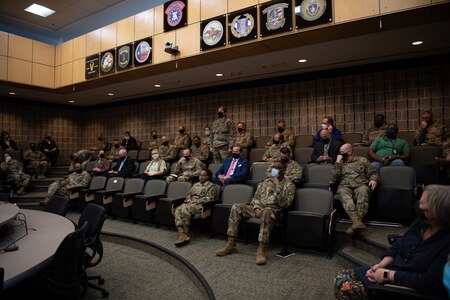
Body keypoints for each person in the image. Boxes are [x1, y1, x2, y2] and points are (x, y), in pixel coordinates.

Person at [334, 184, 450, 299]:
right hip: (393, 268)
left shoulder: (446, 244)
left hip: (408, 286)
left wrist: (387, 275)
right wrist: (381, 265)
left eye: (422, 206)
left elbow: (430, 283)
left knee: (344, 286)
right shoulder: (421, 222)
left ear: (436, 213)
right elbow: (400, 244)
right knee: (342, 276)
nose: (418, 206)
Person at [215, 162, 295, 265]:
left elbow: (285, 204)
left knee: (266, 212)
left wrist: (278, 186)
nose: (274, 170)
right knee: (236, 207)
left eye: (277, 168)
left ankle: (261, 250)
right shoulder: (265, 182)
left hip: (275, 212)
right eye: (273, 167)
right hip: (258, 208)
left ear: (284, 170)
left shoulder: (289, 185)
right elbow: (256, 198)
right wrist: (256, 208)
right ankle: (231, 244)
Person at [331, 143, 378, 235]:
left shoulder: (362, 160)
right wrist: (337, 164)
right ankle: (356, 222)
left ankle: (357, 222)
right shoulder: (340, 163)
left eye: (342, 152)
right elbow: (334, 178)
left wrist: (373, 179)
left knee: (364, 191)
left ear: (349, 152)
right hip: (345, 186)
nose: (340, 154)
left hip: (360, 184)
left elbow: (373, 172)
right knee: (342, 194)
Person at [174, 168, 218, 247]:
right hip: (191, 204)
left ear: (208, 176)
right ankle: (182, 234)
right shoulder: (195, 184)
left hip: (201, 206)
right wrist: (188, 199)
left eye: (203, 175)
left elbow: (208, 198)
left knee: (184, 209)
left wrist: (194, 201)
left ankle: (185, 233)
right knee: (178, 209)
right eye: (200, 175)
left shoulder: (212, 186)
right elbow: (189, 195)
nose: (200, 177)